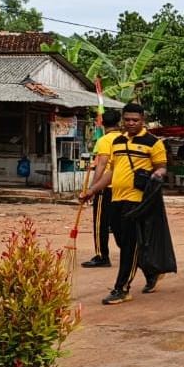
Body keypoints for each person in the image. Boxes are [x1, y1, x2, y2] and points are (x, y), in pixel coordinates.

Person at [78, 103, 168, 305]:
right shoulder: (117, 142)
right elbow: (111, 172)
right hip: (115, 199)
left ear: (142, 120)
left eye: (135, 120)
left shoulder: (153, 142)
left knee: (129, 245)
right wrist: (92, 190)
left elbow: (161, 168)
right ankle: (152, 271)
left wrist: (155, 176)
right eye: (127, 119)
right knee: (122, 241)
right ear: (122, 120)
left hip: (137, 201)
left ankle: (122, 288)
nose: (131, 123)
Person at [81, 115, 118, 269]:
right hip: (121, 186)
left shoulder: (104, 140)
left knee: (100, 223)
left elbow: (102, 165)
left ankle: (102, 255)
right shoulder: (125, 138)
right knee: (118, 223)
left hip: (105, 187)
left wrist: (92, 189)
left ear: (102, 124)